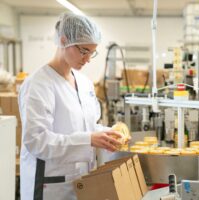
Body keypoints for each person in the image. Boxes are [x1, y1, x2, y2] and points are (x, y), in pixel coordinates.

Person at [18, 13, 123, 200]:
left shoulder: (84, 83)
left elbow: (87, 127)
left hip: (81, 181)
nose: (88, 59)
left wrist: (107, 135)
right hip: (50, 185)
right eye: (84, 51)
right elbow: (36, 141)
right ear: (64, 40)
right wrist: (89, 139)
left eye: (92, 52)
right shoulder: (39, 84)